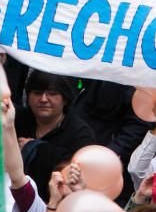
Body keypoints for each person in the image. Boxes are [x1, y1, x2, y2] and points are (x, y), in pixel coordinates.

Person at [14, 70, 95, 199]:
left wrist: (35, 148)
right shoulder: (15, 121)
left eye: (52, 94)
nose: (43, 99)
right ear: (27, 96)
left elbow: (76, 175)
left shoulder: (81, 134)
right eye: (37, 93)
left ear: (65, 99)